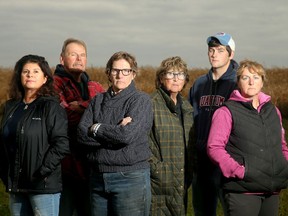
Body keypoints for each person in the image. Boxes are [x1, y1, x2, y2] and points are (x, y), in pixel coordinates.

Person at [207, 59, 288, 216]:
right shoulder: (226, 112)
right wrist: (240, 171)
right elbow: (214, 148)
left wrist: (284, 166)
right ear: (238, 82)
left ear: (262, 82)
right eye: (245, 77)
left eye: (256, 77)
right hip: (242, 191)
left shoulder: (273, 111)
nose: (251, 82)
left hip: (272, 190)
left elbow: (282, 145)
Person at [77, 51, 153, 216]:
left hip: (130, 178)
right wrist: (115, 132)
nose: (120, 75)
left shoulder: (140, 100)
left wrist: (96, 128)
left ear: (133, 74)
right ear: (109, 73)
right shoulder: (97, 100)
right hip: (97, 178)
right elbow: (81, 135)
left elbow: (126, 135)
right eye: (115, 70)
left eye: (125, 70)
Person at [0, 54, 69, 216]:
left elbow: (61, 144)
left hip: (42, 187)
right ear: (19, 76)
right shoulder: (10, 107)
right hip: (16, 187)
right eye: (26, 71)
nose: (30, 75)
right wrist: (4, 173)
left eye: (36, 71)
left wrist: (40, 173)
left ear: (45, 78)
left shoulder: (51, 107)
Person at [188, 32, 238, 216]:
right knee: (202, 211)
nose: (214, 54)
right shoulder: (200, 83)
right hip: (201, 161)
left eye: (220, 50)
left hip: (226, 160)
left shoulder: (238, 83)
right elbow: (190, 118)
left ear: (230, 54)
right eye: (211, 50)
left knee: (231, 210)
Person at [53, 38, 105, 216]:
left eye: (82, 55)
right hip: (64, 168)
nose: (79, 58)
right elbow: (64, 117)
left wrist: (81, 105)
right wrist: (92, 109)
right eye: (73, 54)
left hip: (92, 166)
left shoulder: (95, 86)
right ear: (62, 59)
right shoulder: (53, 84)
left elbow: (108, 114)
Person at [149, 56, 194, 215]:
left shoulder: (187, 108)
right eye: (170, 74)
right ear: (161, 78)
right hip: (159, 185)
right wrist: (157, 170)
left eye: (180, 74)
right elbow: (142, 143)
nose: (176, 78)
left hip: (182, 181)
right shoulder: (151, 104)